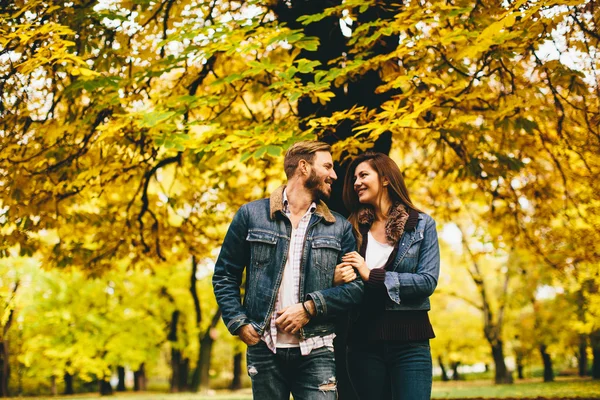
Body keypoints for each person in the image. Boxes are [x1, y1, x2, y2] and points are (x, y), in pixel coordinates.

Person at [212, 141, 364, 400]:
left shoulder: (338, 227)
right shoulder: (251, 216)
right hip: (264, 346)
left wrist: (310, 308)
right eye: (327, 166)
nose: (334, 175)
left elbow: (355, 289)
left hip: (317, 348)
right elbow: (225, 275)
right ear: (303, 167)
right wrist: (238, 322)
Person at [336, 152, 440, 400]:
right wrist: (336, 278)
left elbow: (427, 281)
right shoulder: (350, 228)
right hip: (362, 342)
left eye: (363, 175)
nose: (356, 182)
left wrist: (372, 275)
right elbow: (340, 281)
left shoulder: (422, 225)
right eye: (354, 178)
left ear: (384, 178)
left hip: (411, 343)